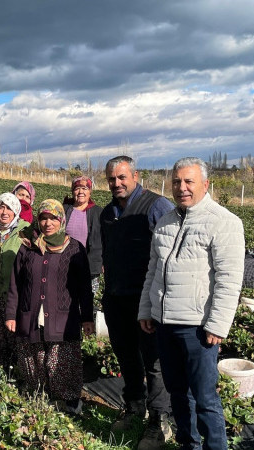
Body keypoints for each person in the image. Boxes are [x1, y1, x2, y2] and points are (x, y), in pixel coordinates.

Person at [139, 157, 245, 450]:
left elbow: (229, 278)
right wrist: (146, 309)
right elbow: (153, 270)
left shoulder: (223, 222)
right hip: (164, 323)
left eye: (189, 182)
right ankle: (189, 444)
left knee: (205, 398)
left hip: (198, 328)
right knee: (176, 393)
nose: (181, 188)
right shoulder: (166, 220)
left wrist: (218, 324)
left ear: (205, 184)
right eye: (176, 182)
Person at [100, 155, 174, 449]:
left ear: (135, 176)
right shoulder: (107, 213)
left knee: (154, 361)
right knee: (126, 355)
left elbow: (169, 254)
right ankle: (134, 406)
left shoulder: (156, 206)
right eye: (111, 179)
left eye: (121, 177)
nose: (116, 183)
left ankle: (159, 419)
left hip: (146, 299)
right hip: (116, 297)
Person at [5, 199, 94, 414]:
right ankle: (40, 397)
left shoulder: (74, 248)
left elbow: (84, 287)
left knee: (62, 362)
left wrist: (87, 318)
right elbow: (16, 283)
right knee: (33, 360)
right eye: (43, 218)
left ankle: (70, 402)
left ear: (61, 220)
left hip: (63, 318)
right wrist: (11, 314)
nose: (47, 223)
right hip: (31, 314)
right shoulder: (28, 247)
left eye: (53, 218)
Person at [0, 192, 28, 369]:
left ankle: (17, 369)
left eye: (9, 208)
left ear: (16, 211)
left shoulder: (26, 229)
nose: (4, 212)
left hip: (16, 294)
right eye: (1, 207)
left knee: (15, 333)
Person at [62, 176, 103, 292]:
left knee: (87, 300)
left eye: (84, 188)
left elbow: (105, 239)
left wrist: (103, 262)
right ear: (72, 191)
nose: (81, 192)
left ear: (90, 191)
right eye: (77, 188)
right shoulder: (64, 209)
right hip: (65, 263)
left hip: (90, 266)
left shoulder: (98, 212)